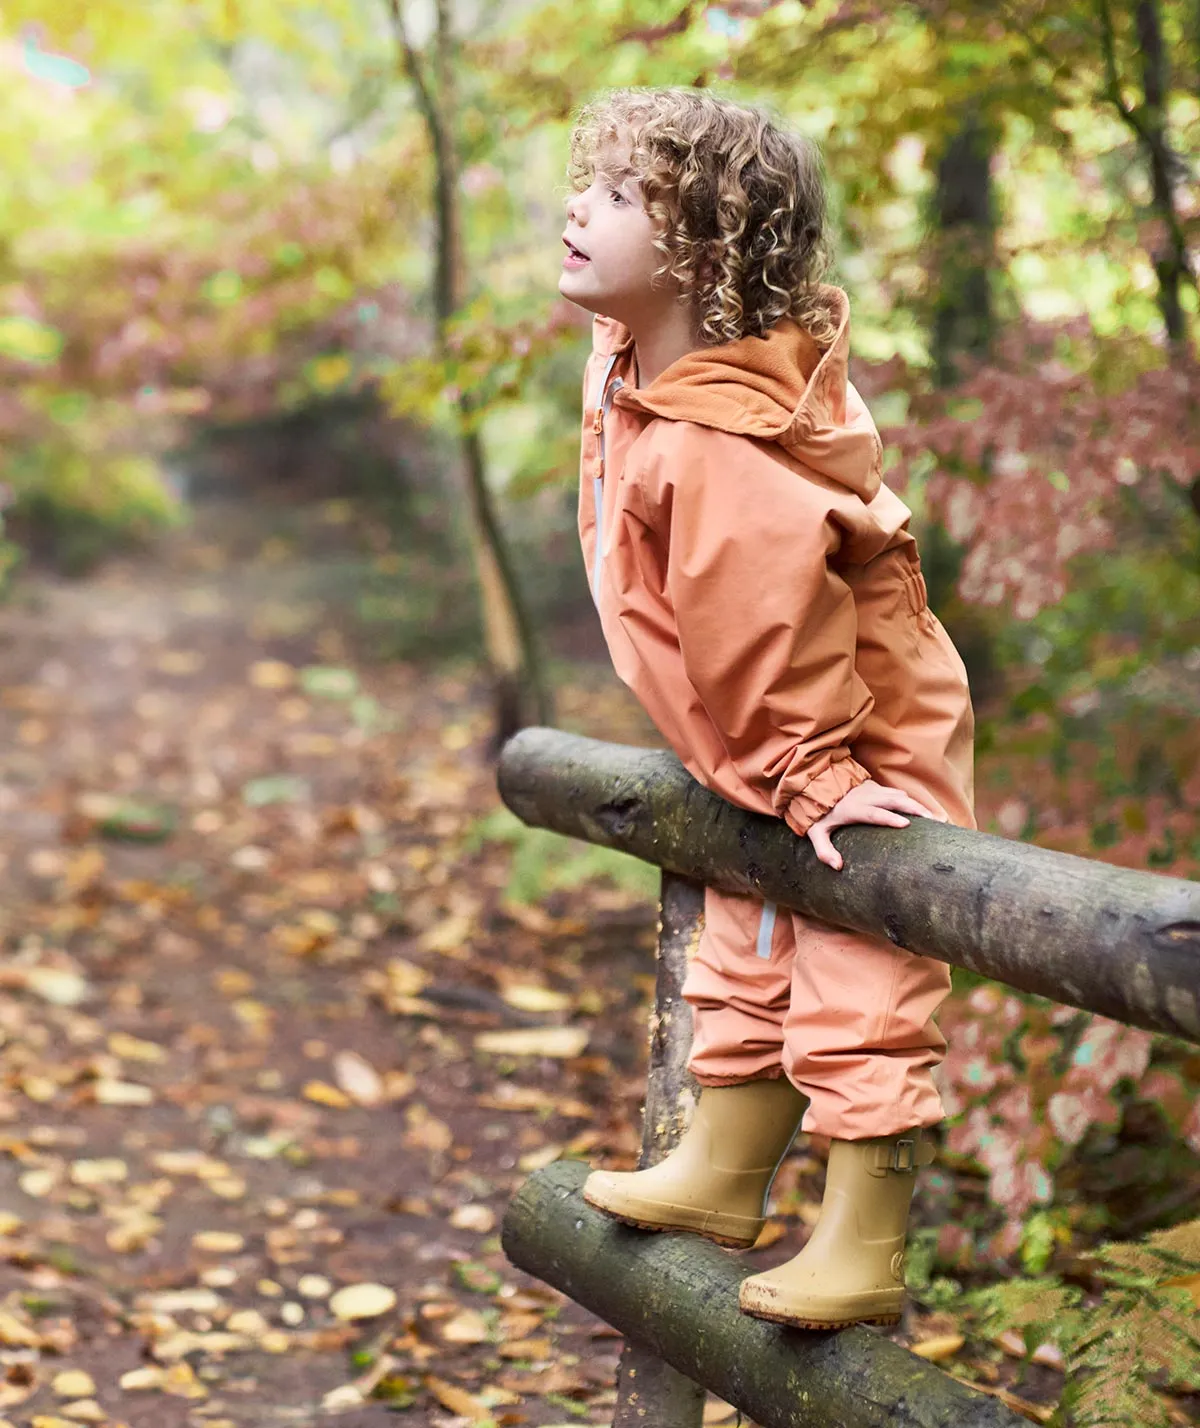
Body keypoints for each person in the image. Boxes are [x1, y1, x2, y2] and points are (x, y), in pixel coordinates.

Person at [556, 86, 975, 1331]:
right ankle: (725, 1172)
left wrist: (813, 774)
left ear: (702, 253)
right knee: (750, 920)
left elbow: (768, 624)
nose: (579, 205)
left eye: (623, 197)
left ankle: (864, 1239)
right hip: (763, 741)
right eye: (590, 181)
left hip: (851, 736)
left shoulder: (720, 440)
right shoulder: (651, 373)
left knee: (861, 940)